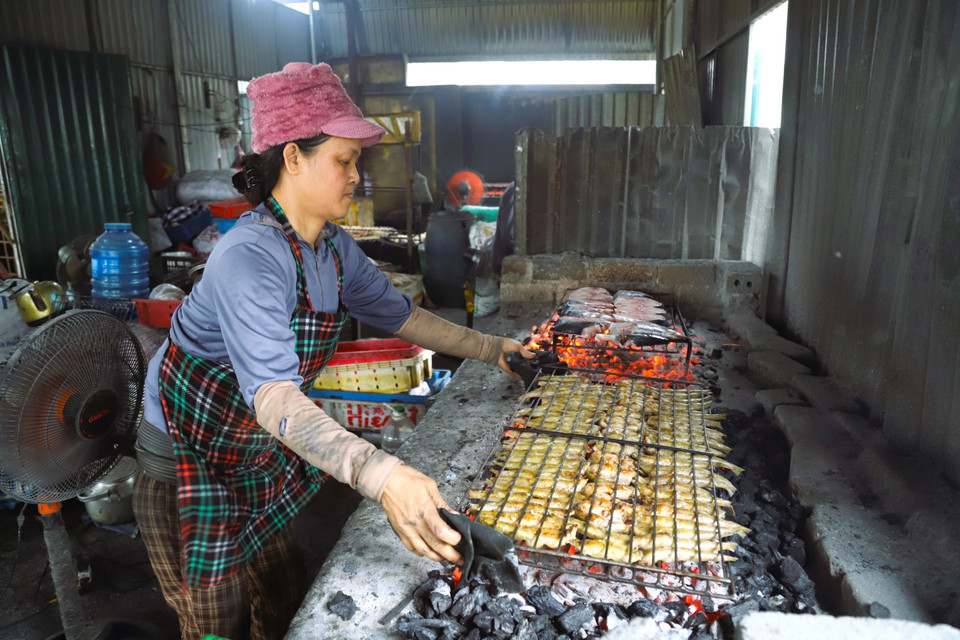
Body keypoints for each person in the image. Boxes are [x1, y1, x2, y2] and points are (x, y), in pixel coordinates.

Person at [132, 62, 532, 640]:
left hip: (254, 450)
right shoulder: (249, 257)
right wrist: (382, 473)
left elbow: (406, 318)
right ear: (292, 157)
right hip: (186, 462)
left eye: (356, 162)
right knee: (215, 618)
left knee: (281, 591)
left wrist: (492, 347)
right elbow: (272, 395)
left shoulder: (332, 249)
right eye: (343, 160)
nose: (356, 177)